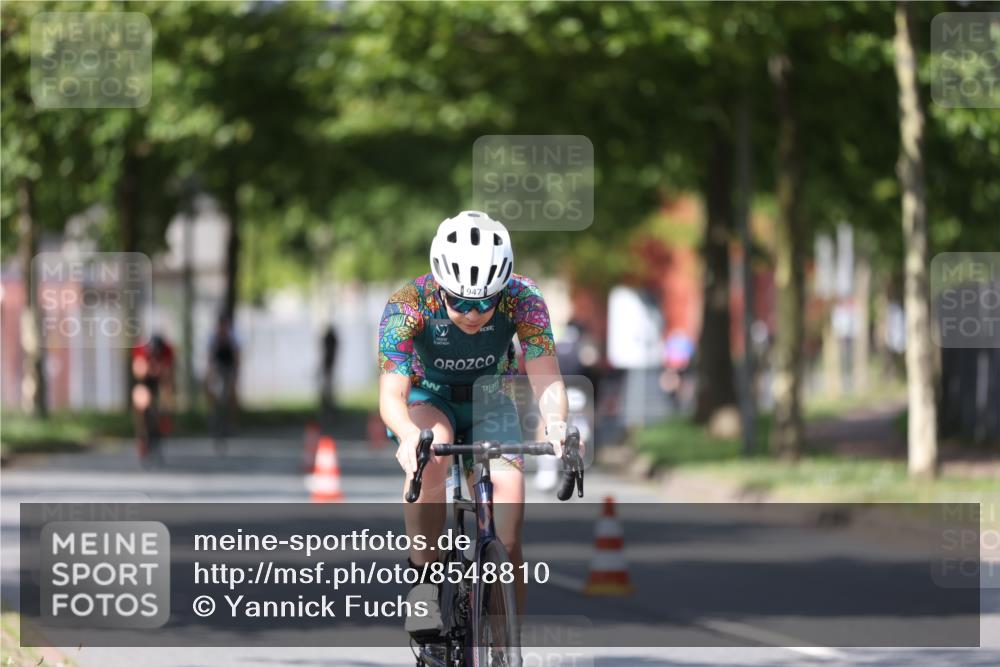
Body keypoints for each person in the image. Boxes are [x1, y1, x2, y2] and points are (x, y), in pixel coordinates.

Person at [378, 210, 573, 638]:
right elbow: (392, 394)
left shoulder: (523, 297)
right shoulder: (407, 304)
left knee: (509, 528)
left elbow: (545, 373)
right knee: (432, 453)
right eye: (460, 302)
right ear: (439, 286)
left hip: (491, 400)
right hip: (430, 399)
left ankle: (505, 644)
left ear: (501, 290)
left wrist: (557, 423)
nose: (472, 313)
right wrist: (408, 435)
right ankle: (424, 582)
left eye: (485, 303)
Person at [131, 333, 175, 464]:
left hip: (160, 380)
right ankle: (142, 439)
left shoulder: (167, 350)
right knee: (140, 402)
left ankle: (162, 425)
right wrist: (148, 369)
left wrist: (167, 399)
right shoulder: (140, 349)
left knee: (165, 399)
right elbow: (138, 372)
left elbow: (169, 375)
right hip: (143, 381)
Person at [206, 314, 240, 444]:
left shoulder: (233, 337)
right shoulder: (212, 337)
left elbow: (237, 358)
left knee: (231, 395)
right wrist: (210, 374)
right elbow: (210, 358)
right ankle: (213, 418)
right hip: (217, 367)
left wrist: (235, 376)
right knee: (211, 391)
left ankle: (231, 423)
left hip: (229, 367)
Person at [320, 324, 339, 412]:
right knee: (327, 386)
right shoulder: (331, 340)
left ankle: (328, 404)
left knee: (328, 386)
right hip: (328, 365)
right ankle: (327, 404)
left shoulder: (330, 340)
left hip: (329, 365)